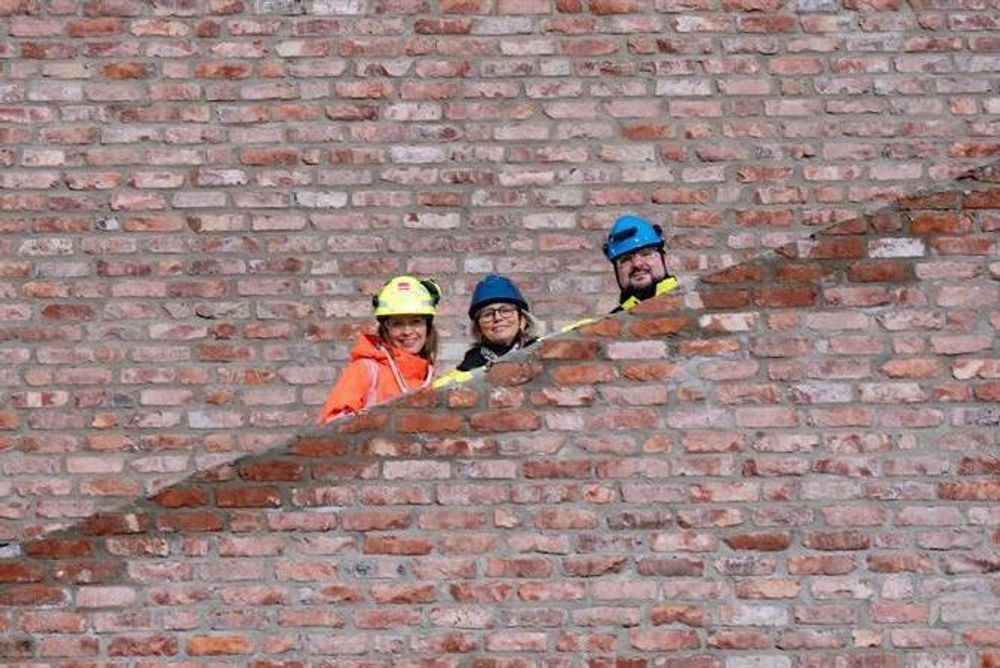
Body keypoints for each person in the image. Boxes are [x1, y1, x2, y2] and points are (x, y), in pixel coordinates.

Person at [316, 275, 440, 425]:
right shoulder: (365, 370)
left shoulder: (429, 378)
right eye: (397, 324)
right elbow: (332, 428)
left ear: (427, 326)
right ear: (385, 329)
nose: (407, 331)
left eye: (416, 322)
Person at [456, 274, 539, 372]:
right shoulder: (468, 369)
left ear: (523, 320)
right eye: (488, 314)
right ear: (478, 328)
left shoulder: (543, 353)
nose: (497, 318)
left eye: (506, 311)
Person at [603, 214, 679, 312]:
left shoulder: (694, 304)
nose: (637, 264)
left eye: (646, 254)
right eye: (625, 259)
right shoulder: (609, 324)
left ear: (663, 258)